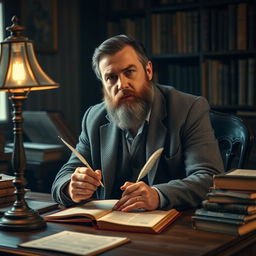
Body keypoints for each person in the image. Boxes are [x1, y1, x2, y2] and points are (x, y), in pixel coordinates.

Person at [52, 34, 224, 211]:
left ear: (148, 71)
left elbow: (209, 178)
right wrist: (71, 187)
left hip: (171, 228)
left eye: (129, 72)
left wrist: (158, 195)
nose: (122, 84)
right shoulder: (93, 118)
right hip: (107, 227)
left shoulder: (188, 109)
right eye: (111, 77)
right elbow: (62, 179)